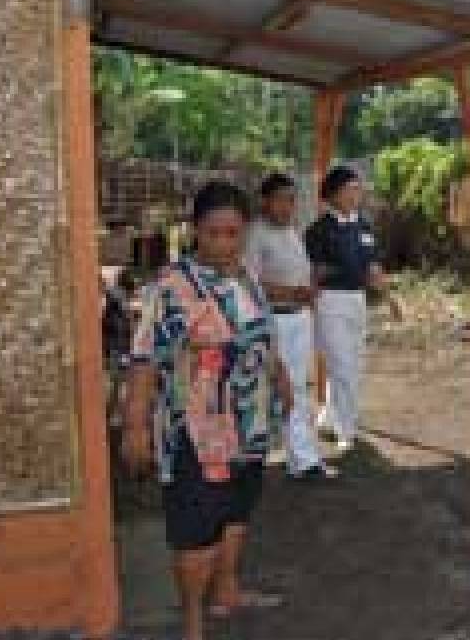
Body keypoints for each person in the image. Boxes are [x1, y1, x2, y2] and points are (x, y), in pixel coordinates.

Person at [123, 181, 292, 640]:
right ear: (196, 231)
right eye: (213, 233)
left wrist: (282, 382)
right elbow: (143, 359)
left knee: (238, 509)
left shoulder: (247, 277)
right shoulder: (171, 287)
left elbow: (261, 337)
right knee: (196, 527)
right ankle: (193, 625)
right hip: (196, 433)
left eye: (233, 233)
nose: (223, 243)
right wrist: (135, 425)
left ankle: (227, 591)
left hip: (250, 422)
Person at [245, 172, 334, 480]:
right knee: (277, 387)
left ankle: (303, 458)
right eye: (282, 199)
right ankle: (287, 459)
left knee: (298, 387)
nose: (288, 206)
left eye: (292, 200)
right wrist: (291, 293)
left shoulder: (292, 232)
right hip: (274, 321)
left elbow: (302, 271)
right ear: (264, 201)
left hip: (299, 317)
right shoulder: (255, 234)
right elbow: (249, 282)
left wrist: (310, 288)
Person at [305, 166, 396, 451]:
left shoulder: (363, 225)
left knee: (352, 362)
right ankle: (347, 429)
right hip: (330, 302)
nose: (357, 194)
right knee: (341, 364)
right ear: (333, 194)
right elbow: (314, 272)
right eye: (351, 189)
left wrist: (391, 298)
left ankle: (330, 415)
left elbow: (372, 266)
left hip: (357, 299)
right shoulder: (318, 231)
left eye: (358, 188)